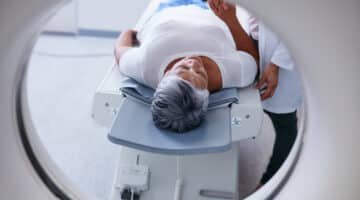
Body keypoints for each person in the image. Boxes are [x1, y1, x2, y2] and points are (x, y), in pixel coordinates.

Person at [114, 0, 259, 133]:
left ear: (165, 77)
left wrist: (134, 33)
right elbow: (252, 58)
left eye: (183, 68)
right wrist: (230, 19)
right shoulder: (236, 74)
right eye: (201, 74)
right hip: (212, 11)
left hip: (169, 8)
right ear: (207, 93)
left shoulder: (144, 67)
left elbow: (120, 49)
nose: (194, 62)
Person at [247, 16, 303, 185]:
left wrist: (275, 64)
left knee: (285, 124)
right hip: (254, 39)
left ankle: (269, 180)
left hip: (278, 51)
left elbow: (299, 23)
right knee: (251, 104)